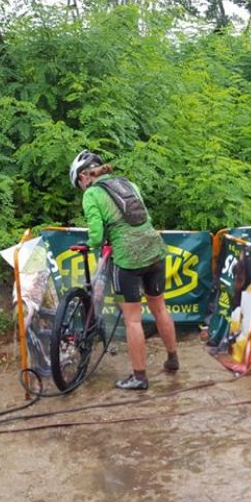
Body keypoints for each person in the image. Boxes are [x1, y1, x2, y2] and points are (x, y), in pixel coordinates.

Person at [69, 150, 179, 390]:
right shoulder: (129, 184)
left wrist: (90, 244)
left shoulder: (92, 194)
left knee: (132, 320)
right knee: (160, 307)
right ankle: (172, 359)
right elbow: (143, 217)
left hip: (128, 259)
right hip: (154, 249)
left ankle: (139, 377)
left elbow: (96, 235)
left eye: (79, 184)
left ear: (83, 177)